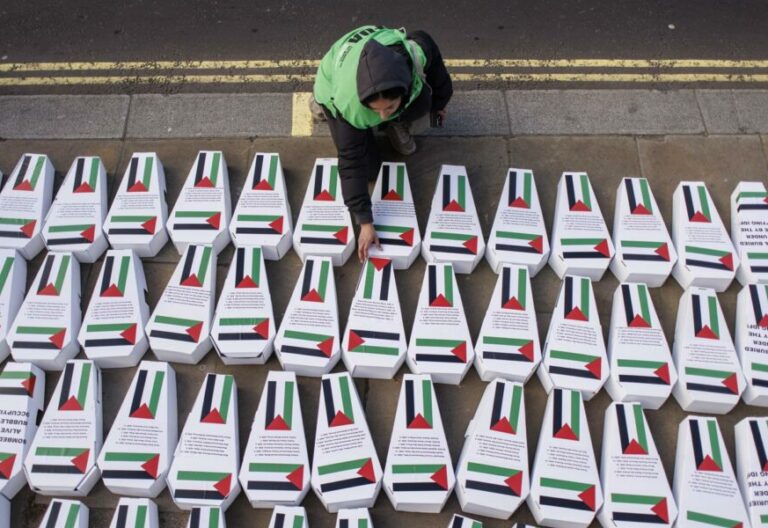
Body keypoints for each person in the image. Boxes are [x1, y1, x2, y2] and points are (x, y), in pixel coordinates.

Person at [312, 25, 453, 262]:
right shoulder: (350, 105)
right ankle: (318, 104)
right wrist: (364, 222)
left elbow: (435, 65)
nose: (383, 114)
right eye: (375, 110)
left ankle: (398, 124)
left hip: (378, 59)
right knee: (368, 169)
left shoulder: (416, 54)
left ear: (404, 88)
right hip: (333, 82)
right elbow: (350, 164)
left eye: (389, 107)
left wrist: (439, 103)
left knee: (423, 105)